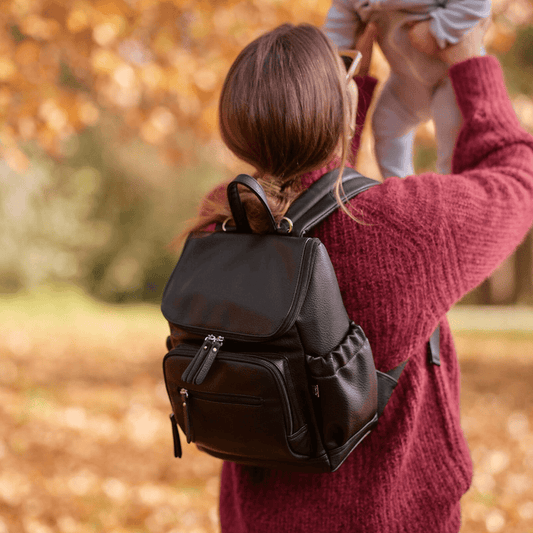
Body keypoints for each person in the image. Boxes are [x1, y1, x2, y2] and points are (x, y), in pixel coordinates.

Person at [174, 18, 533, 533]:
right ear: (341, 109)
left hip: (255, 519)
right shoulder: (407, 228)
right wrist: (471, 61)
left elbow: (316, 192)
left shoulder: (220, 224)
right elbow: (517, 178)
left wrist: (342, 87)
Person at [324, 0, 491, 178]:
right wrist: (333, 61)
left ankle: (453, 186)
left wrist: (437, 29)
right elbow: (337, 29)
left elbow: (476, 4)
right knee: (386, 121)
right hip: (405, 81)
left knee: (452, 133)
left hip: (449, 77)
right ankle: (402, 186)